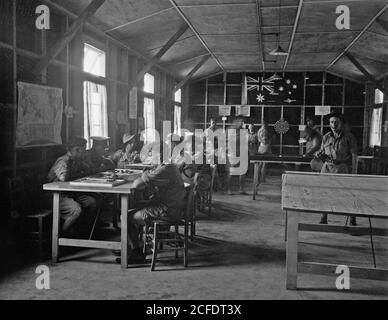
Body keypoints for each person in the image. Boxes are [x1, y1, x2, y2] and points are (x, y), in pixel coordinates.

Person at [116, 159, 186, 264]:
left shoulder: (166, 168)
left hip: (166, 211)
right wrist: (147, 174)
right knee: (133, 210)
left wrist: (144, 174)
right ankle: (131, 246)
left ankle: (136, 252)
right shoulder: (171, 166)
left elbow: (137, 185)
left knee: (125, 217)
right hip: (172, 207)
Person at [47, 137, 98, 235]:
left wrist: (86, 166)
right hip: (57, 195)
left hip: (70, 193)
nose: (85, 152)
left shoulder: (77, 160)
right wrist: (81, 173)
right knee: (76, 209)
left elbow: (89, 171)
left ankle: (81, 231)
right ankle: (63, 238)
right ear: (78, 150)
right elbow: (63, 178)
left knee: (92, 202)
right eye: (84, 149)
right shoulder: (63, 161)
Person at [315, 113, 358, 225]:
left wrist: (354, 172)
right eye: (331, 122)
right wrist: (320, 155)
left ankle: (352, 219)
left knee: (348, 194)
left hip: (342, 168)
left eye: (336, 122)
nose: (333, 124)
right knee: (325, 193)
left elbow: (354, 155)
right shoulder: (326, 137)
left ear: (341, 124)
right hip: (328, 168)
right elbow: (323, 153)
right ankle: (323, 217)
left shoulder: (349, 137)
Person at [226, 117, 247, 195]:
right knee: (231, 172)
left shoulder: (243, 130)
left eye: (242, 122)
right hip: (233, 154)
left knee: (242, 172)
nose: (242, 123)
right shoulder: (230, 130)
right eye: (240, 122)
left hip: (242, 153)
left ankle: (241, 189)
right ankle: (229, 189)